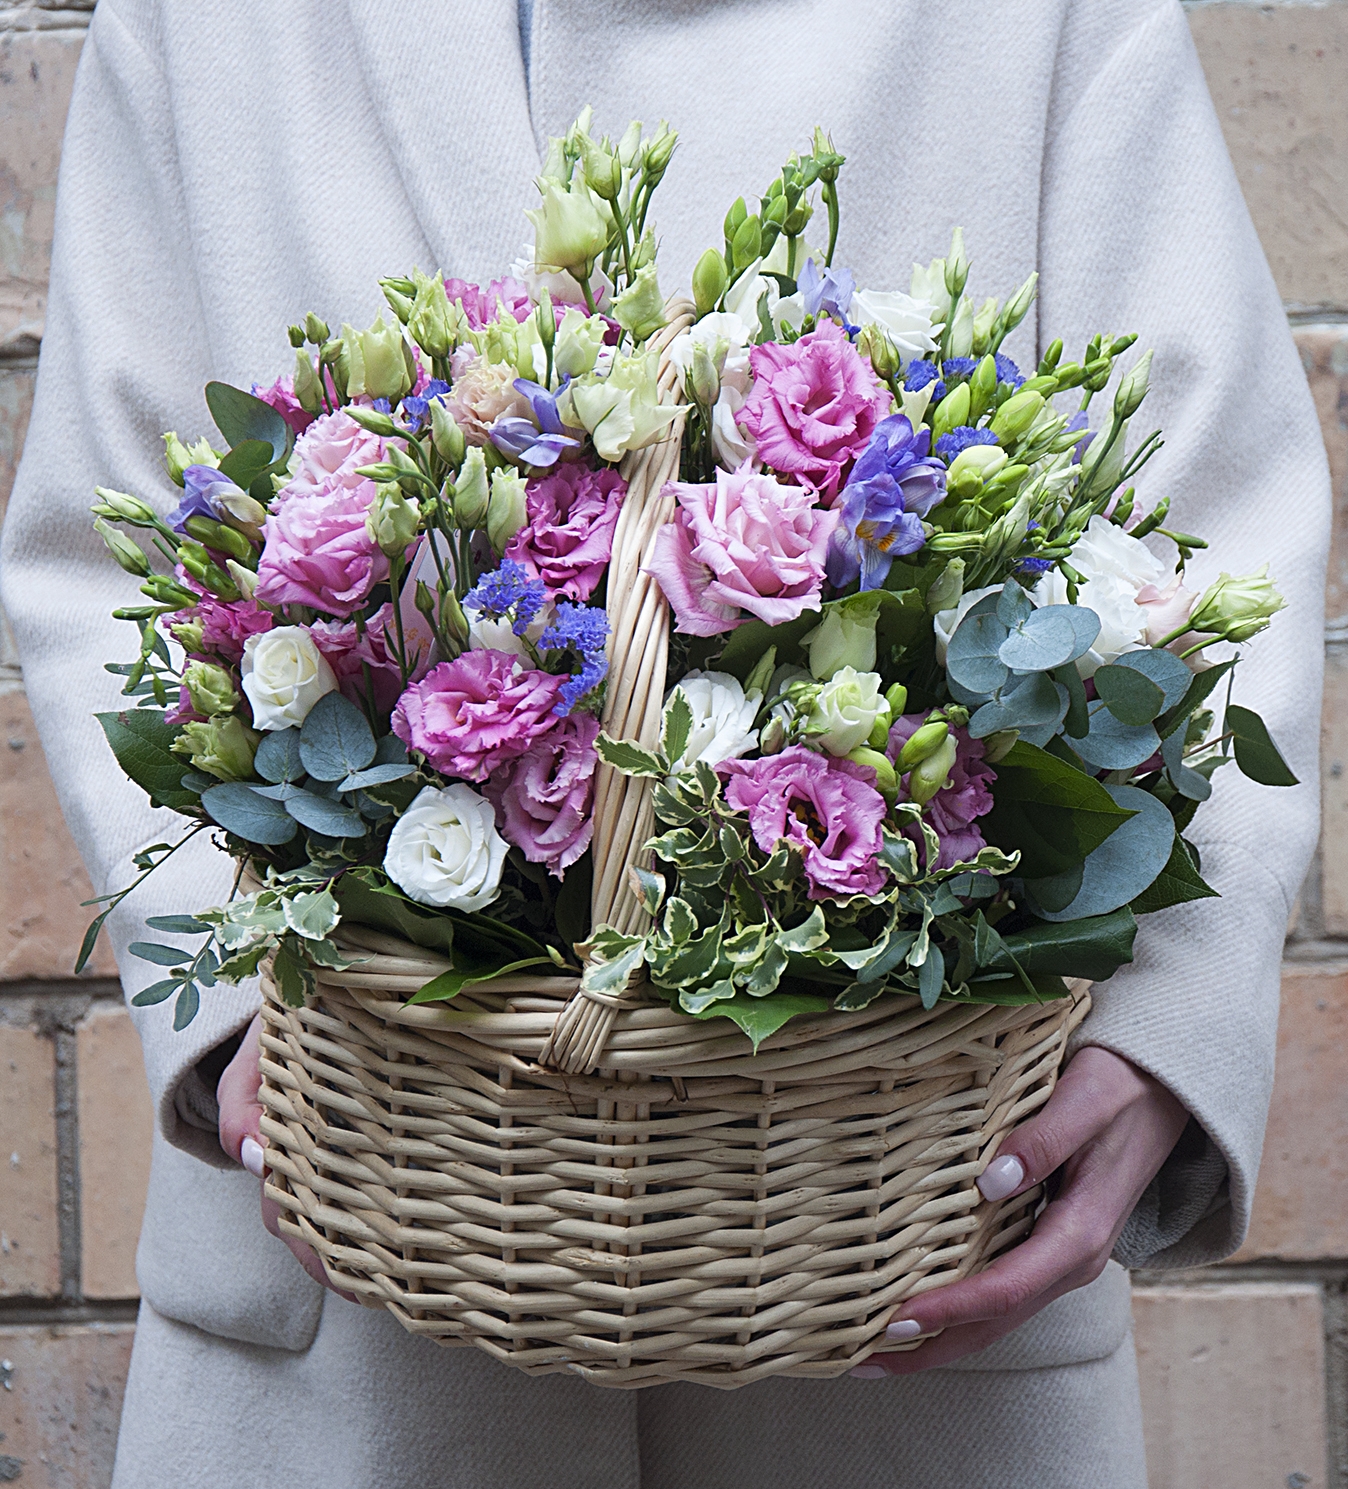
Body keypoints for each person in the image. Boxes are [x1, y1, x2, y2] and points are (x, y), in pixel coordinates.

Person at [1, 1, 1328, 1485]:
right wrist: (235, 1013)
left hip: (901, 1277)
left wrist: (1171, 1034)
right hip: (357, 1304)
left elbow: (1211, 550)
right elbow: (103, 546)